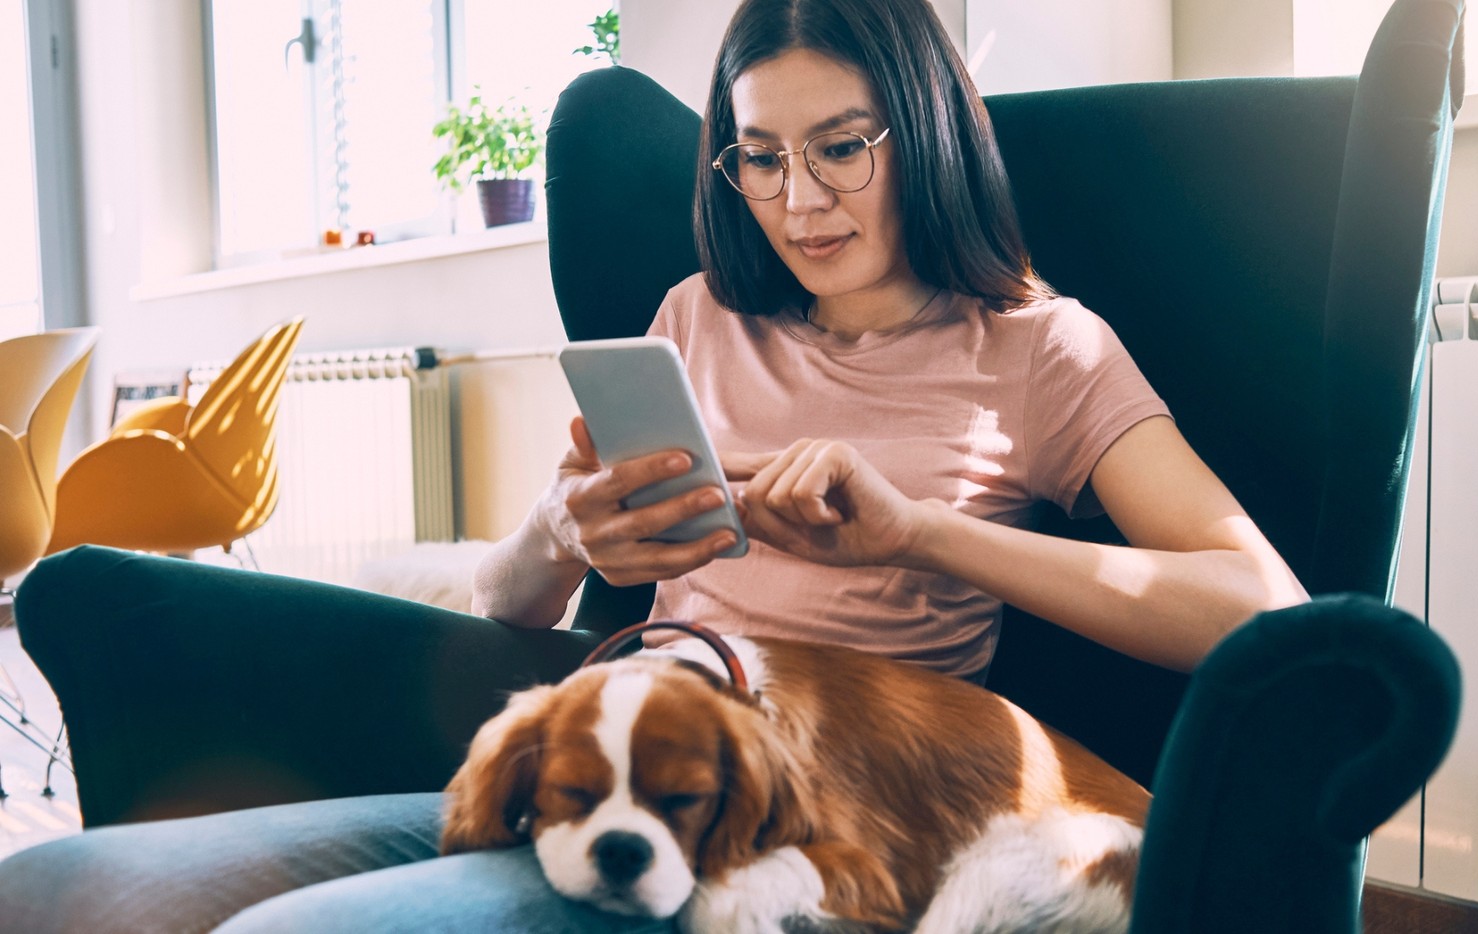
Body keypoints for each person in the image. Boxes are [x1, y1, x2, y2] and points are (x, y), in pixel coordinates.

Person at [0, 0, 1305, 930]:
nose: (799, 202)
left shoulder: (1041, 349)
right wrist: (569, 533)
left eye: (841, 146)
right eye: (759, 157)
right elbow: (508, 603)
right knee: (60, 887)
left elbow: (1260, 609)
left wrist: (920, 532)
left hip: (772, 816)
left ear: (925, 129)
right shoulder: (697, 314)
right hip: (595, 740)